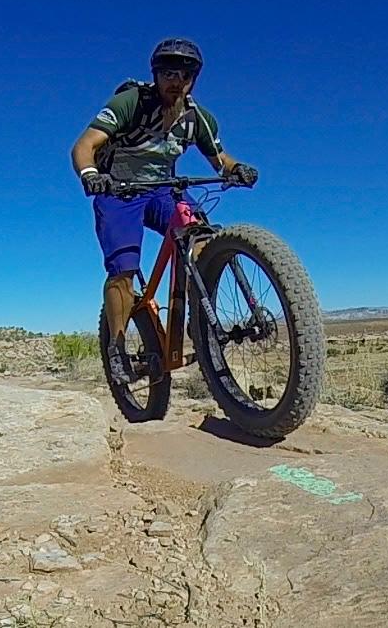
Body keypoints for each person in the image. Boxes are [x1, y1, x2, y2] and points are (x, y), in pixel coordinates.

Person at [70, 38, 258, 384]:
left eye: (185, 73)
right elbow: (85, 145)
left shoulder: (198, 117)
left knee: (201, 238)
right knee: (124, 268)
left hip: (162, 192)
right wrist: (91, 174)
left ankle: (199, 320)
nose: (176, 79)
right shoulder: (131, 102)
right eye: (168, 72)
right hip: (119, 191)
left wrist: (236, 169)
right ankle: (117, 346)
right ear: (156, 74)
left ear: (194, 78)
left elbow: (220, 159)